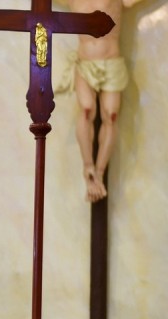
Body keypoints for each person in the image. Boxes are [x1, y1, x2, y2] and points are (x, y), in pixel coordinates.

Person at [56, 0, 144, 202]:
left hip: (112, 62)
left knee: (111, 115)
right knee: (87, 109)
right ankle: (88, 166)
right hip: (84, 63)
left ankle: (99, 172)